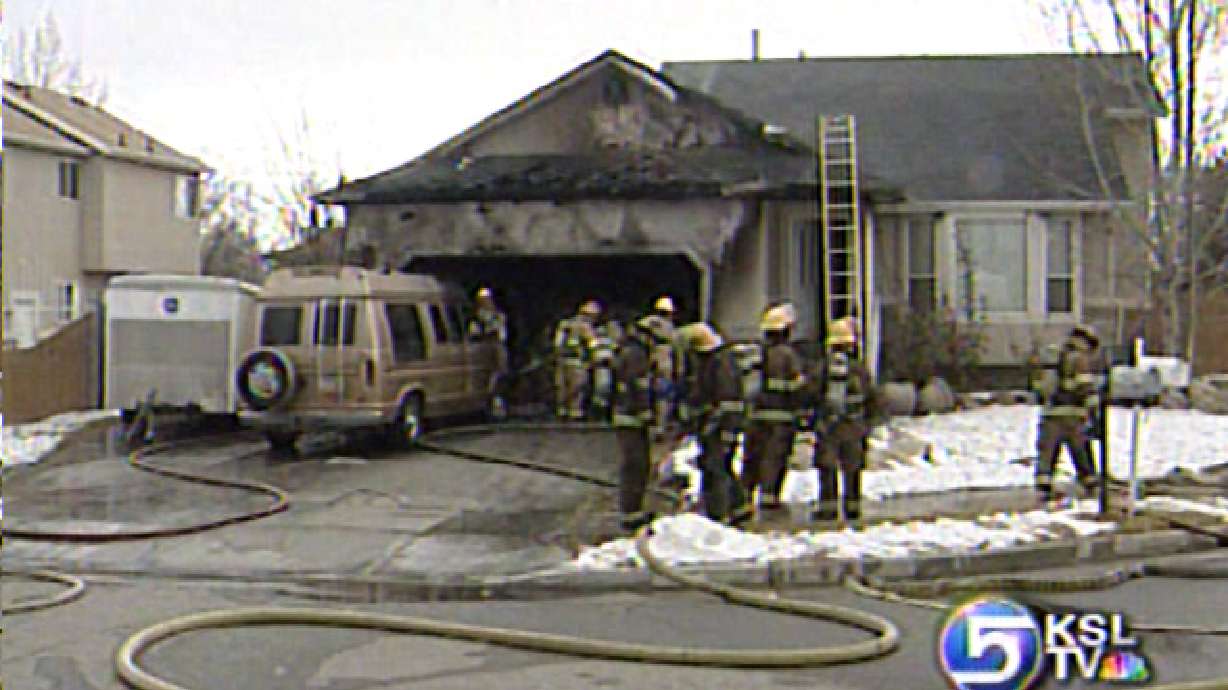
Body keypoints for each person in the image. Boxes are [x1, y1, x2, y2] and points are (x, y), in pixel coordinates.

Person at [677, 322, 754, 526]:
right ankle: (739, 507)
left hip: (721, 425)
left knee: (715, 466)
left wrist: (721, 426)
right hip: (715, 424)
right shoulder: (714, 362)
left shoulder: (720, 364)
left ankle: (718, 514)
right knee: (720, 465)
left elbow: (726, 400)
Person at [811, 316, 877, 523]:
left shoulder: (822, 368)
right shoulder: (859, 369)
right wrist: (868, 423)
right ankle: (853, 506)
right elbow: (873, 397)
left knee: (827, 466)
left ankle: (828, 508)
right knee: (852, 467)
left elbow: (811, 393)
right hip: (854, 426)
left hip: (829, 426)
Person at [741, 305, 806, 513]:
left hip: (756, 416)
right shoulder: (787, 355)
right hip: (781, 416)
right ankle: (769, 498)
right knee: (775, 457)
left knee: (753, 456)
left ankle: (745, 495)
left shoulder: (757, 353)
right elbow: (795, 387)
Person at [1032, 324, 1101, 506]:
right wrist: (1094, 410)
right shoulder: (1079, 359)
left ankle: (1043, 485)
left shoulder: (1056, 357)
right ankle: (1090, 482)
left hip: (1050, 412)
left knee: (1048, 451)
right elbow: (1085, 387)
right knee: (1080, 449)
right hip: (1072, 413)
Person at [612, 317, 658, 531]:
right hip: (632, 418)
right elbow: (639, 385)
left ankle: (633, 510)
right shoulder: (637, 355)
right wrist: (646, 412)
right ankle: (631, 513)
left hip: (625, 416)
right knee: (637, 465)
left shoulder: (627, 350)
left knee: (636, 465)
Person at [553, 301, 600, 420]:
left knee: (562, 387)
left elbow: (557, 344)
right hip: (576, 361)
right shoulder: (585, 326)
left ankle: (562, 410)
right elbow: (592, 344)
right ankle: (575, 411)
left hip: (562, 360)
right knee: (577, 387)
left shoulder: (564, 324)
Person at [468, 286, 510, 418]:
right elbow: (473, 333)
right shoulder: (475, 318)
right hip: (481, 349)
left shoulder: (498, 316)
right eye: (482, 300)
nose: (485, 303)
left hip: (495, 347)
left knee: (498, 375)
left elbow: (500, 333)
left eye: (486, 300)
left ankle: (497, 404)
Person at [642, 296, 679, 437]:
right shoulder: (668, 327)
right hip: (663, 363)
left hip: (647, 362)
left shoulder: (645, 323)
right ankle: (660, 426)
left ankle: (650, 423)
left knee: (648, 393)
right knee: (663, 396)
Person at [588, 311, 622, 421]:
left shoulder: (614, 340)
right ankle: (597, 414)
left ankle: (606, 413)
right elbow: (592, 348)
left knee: (608, 390)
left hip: (611, 367)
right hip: (600, 367)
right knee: (601, 389)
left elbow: (617, 348)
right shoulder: (597, 336)